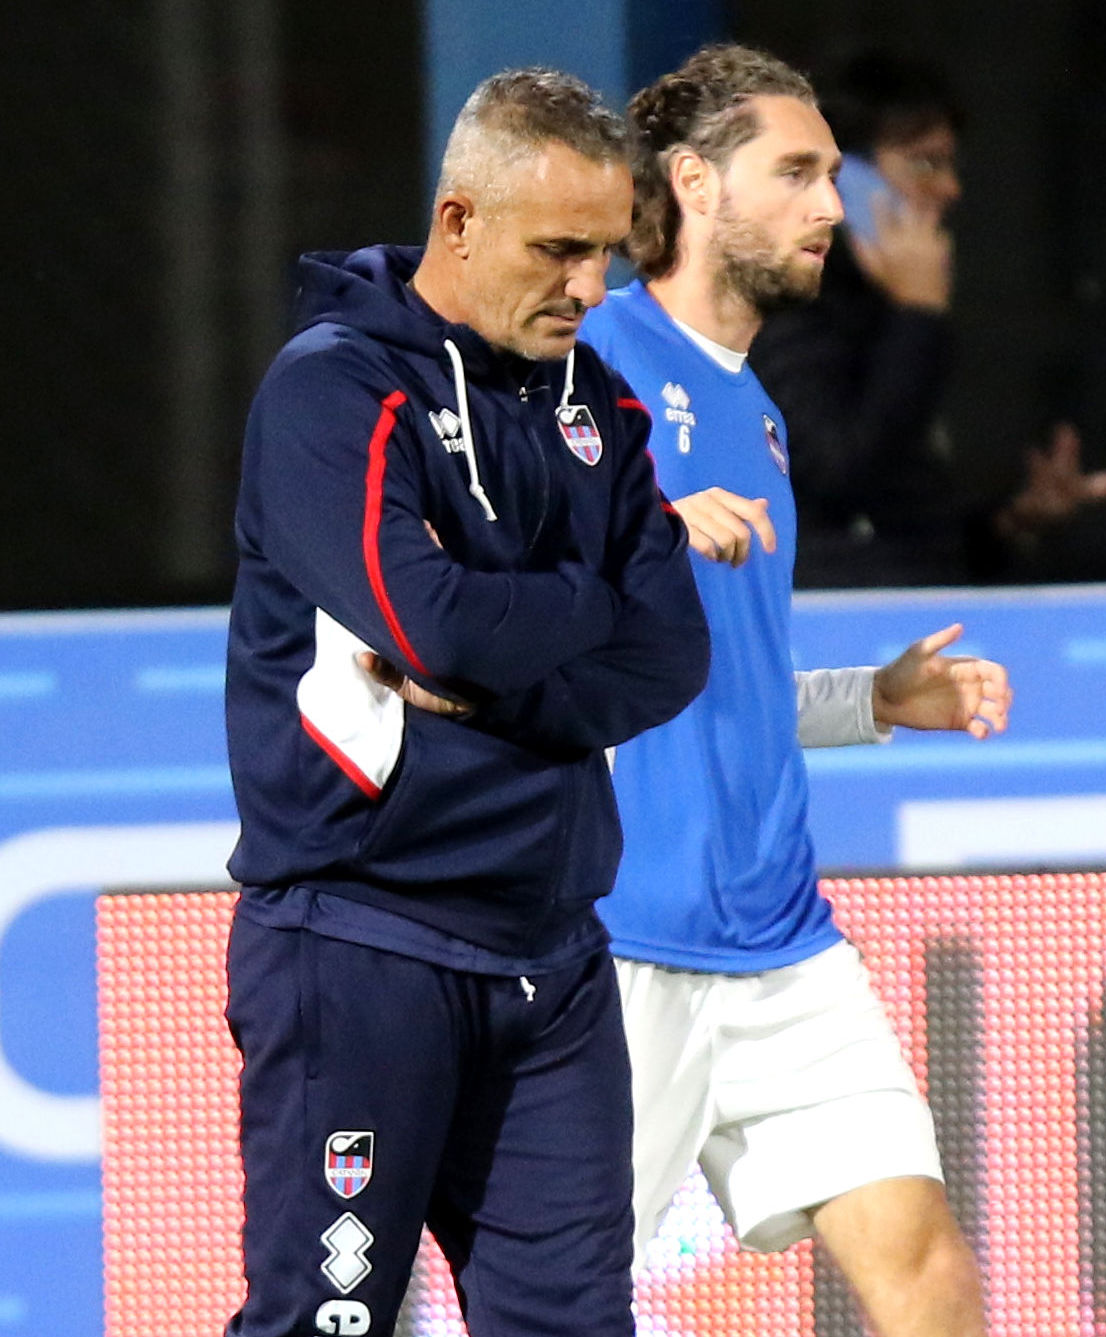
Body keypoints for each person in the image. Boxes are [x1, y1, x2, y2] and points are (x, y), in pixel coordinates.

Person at [222, 68, 710, 1337]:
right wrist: (580, 602)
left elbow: (668, 653)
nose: (590, 289)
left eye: (605, 253)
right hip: (365, 947)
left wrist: (498, 684)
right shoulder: (335, 392)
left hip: (554, 963)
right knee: (324, 1328)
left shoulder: (592, 403)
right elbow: (429, 620)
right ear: (458, 222)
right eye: (559, 250)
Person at [577, 45, 1008, 1337]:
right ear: (696, 184)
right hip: (621, 941)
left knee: (923, 1263)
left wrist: (872, 698)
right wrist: (645, 523)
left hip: (782, 938)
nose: (834, 206)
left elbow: (729, 678)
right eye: (800, 173)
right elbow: (512, 614)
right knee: (561, 1306)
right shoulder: (590, 362)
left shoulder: (760, 417)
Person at [748, 49, 1106, 587]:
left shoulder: (881, 313)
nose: (949, 189)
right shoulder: (793, 309)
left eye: (951, 164)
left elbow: (901, 514)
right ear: (845, 182)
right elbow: (839, 473)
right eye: (925, 163)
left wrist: (1010, 520)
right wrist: (919, 317)